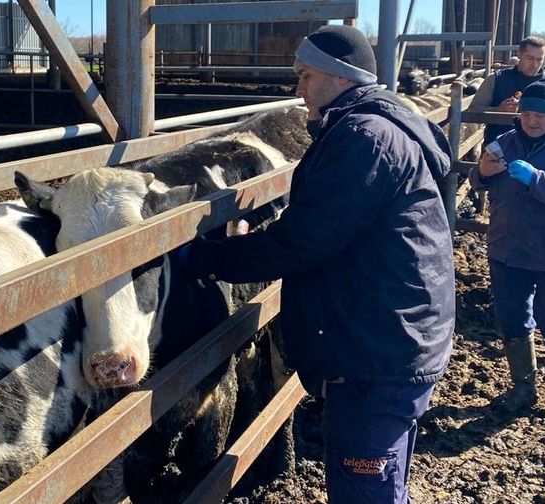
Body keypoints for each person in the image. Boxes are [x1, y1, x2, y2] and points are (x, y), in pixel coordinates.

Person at [178, 25, 454, 504]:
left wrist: (209, 256)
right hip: (390, 336)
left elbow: (306, 240)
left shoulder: (365, 137)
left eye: (305, 75)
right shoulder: (374, 127)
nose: (298, 88)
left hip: (377, 351)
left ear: (339, 76)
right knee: (381, 481)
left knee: (364, 490)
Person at [469, 76, 545, 413]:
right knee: (513, 320)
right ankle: (524, 386)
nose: (531, 120)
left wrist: (537, 179)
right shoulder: (505, 142)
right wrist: (482, 172)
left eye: (540, 115)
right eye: (527, 113)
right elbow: (479, 182)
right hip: (507, 250)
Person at [468, 36, 545, 145]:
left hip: (537, 150)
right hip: (497, 151)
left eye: (539, 60)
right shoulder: (496, 79)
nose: (534, 64)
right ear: (519, 54)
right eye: (529, 58)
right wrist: (497, 110)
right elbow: (473, 111)